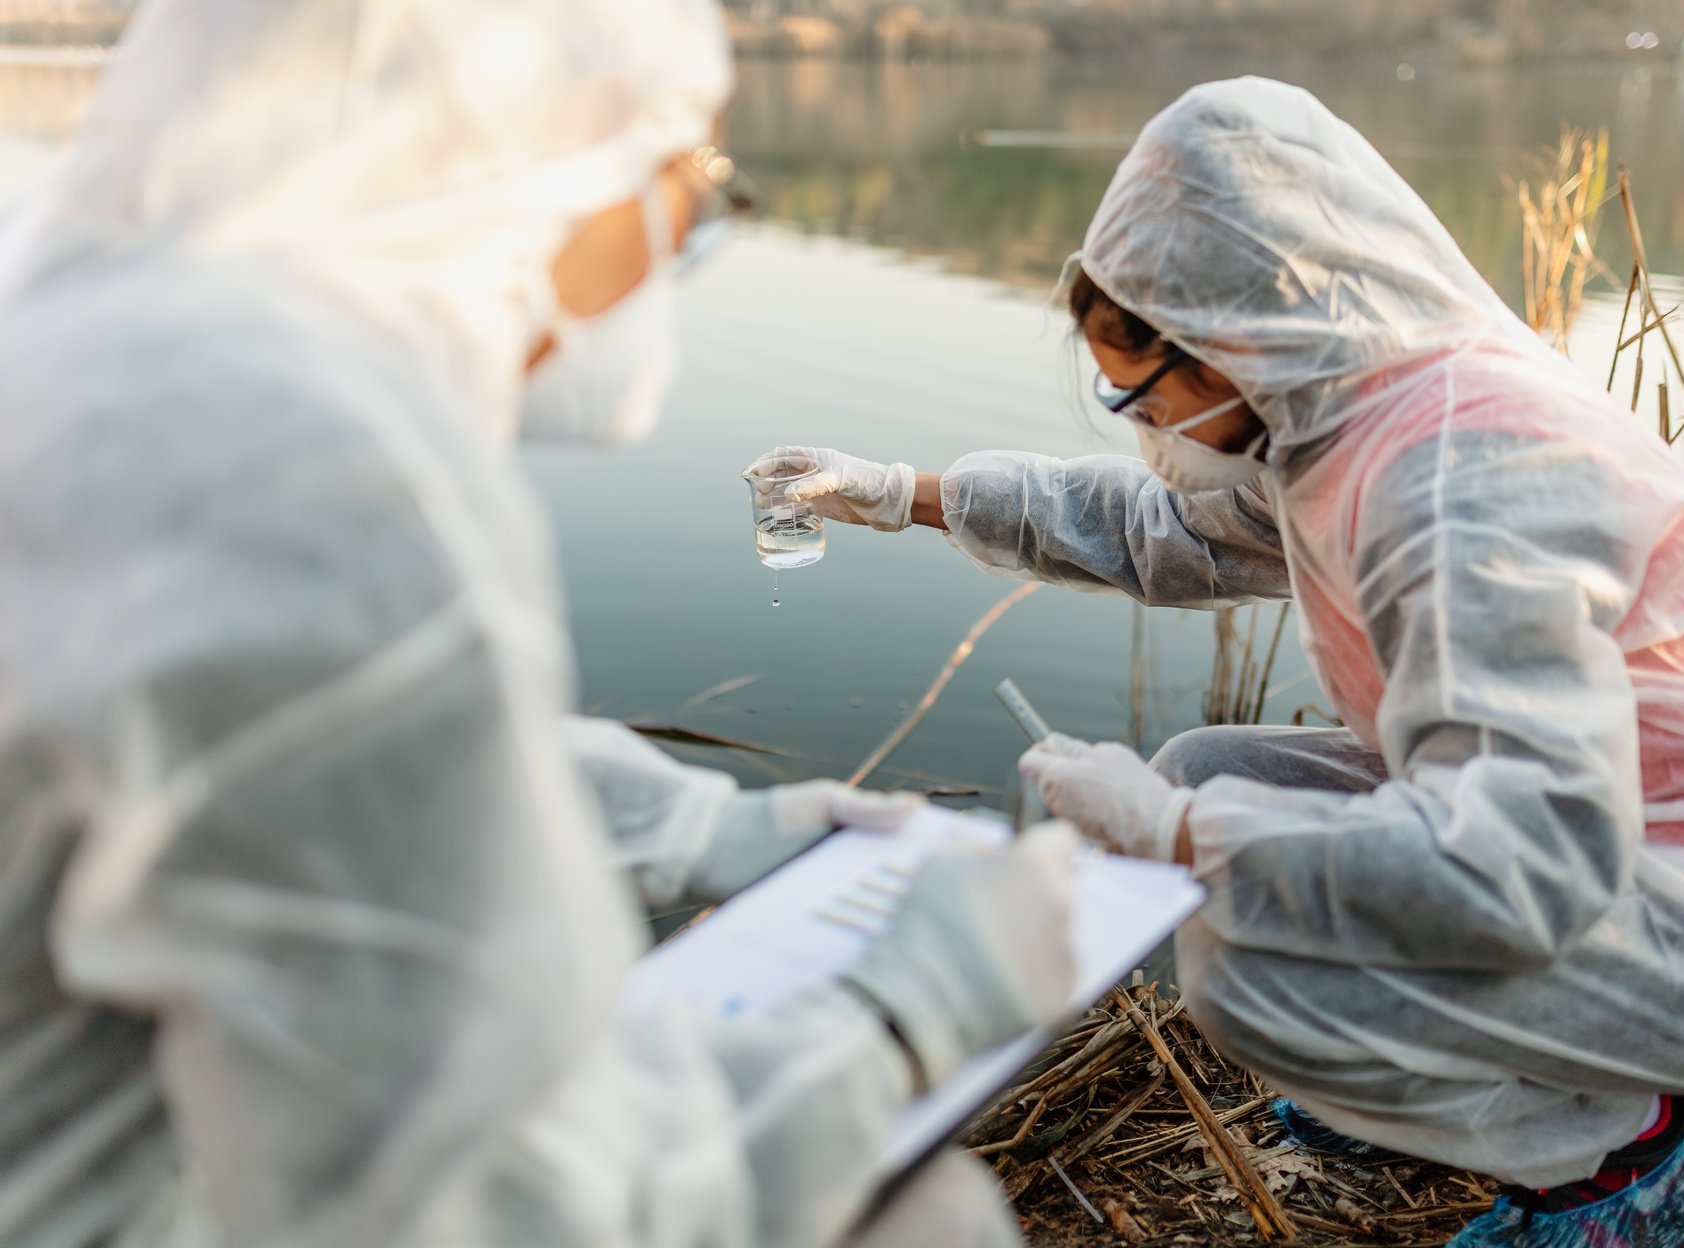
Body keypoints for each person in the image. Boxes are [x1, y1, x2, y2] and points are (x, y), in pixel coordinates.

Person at [0, 1, 1084, 1245]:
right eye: (690, 181)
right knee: (931, 1222)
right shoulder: (302, 474)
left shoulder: (78, 325)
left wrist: (685, 825)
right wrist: (905, 1012)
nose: (685, 235)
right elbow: (509, 1213)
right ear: (553, 142)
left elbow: (260, 770)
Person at [749, 77, 1684, 1247]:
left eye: (1139, 387)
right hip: (1646, 844)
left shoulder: (1458, 485)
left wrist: (1182, 842)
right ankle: (1478, 1078)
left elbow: (1519, 869)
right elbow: (1162, 533)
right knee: (1202, 767)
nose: (1133, 417)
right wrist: (898, 494)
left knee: (1250, 974)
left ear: (1239, 338)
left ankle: (1628, 1159)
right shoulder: (1346, 411)